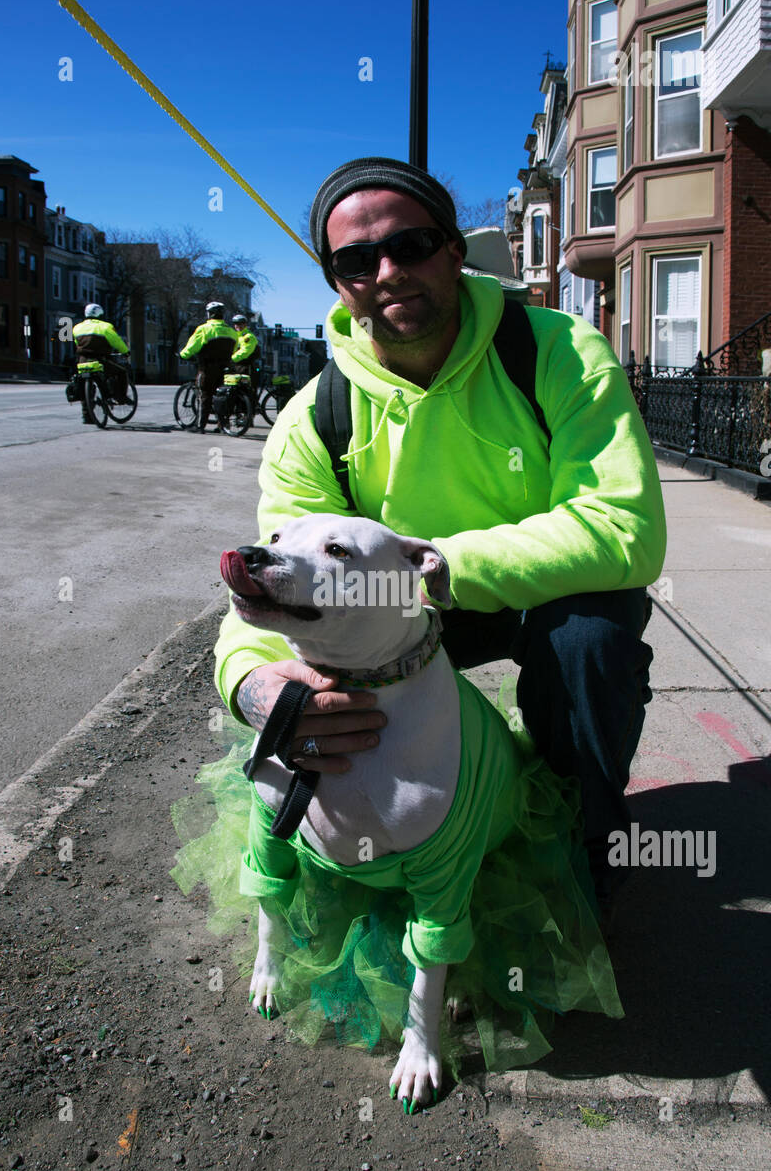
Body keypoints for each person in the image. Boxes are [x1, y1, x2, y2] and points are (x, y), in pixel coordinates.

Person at [213, 157, 667, 926]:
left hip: (531, 600)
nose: (387, 272)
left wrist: (439, 567)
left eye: (411, 245)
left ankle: (580, 843)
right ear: (336, 281)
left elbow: (624, 528)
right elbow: (278, 590)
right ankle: (388, 844)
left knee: (591, 641)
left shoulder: (557, 352)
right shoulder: (313, 419)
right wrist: (253, 687)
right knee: (318, 703)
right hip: (388, 614)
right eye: (357, 260)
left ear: (455, 251)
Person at [179, 302, 238, 431]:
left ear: (209, 314)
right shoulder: (232, 332)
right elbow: (235, 350)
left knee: (204, 395)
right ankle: (223, 426)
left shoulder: (204, 329)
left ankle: (200, 426)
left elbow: (192, 347)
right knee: (222, 396)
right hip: (226, 369)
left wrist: (182, 355)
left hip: (208, 368)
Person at [72, 305, 130, 421]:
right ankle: (121, 397)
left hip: (82, 362)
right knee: (121, 371)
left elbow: (76, 343)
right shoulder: (105, 327)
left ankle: (86, 415)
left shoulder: (76, 328)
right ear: (100, 314)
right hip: (100, 360)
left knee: (84, 384)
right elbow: (116, 341)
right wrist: (125, 352)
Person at [230, 313, 261, 391]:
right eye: (236, 324)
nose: (238, 326)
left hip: (247, 367)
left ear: (245, 324)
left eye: (241, 323)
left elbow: (245, 352)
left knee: (247, 390)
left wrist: (231, 359)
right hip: (236, 366)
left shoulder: (248, 337)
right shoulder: (235, 336)